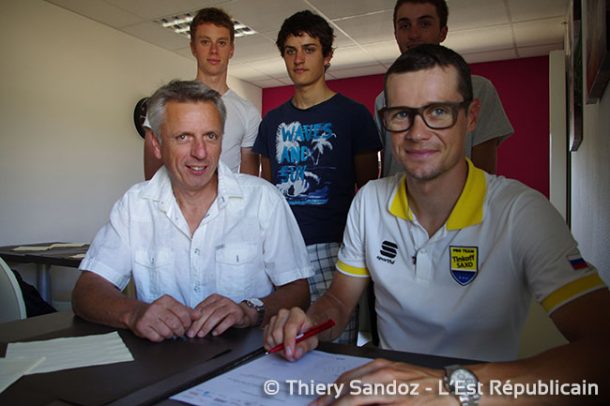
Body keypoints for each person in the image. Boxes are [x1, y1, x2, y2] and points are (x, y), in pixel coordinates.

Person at [264, 45, 610, 405]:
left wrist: (449, 385)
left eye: (438, 112)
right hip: (386, 394)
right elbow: (338, 300)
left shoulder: (521, 212)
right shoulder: (369, 201)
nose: (417, 132)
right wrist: (309, 324)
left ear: (471, 116)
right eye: (402, 115)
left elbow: (603, 352)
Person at [73, 80, 312, 342]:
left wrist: (250, 310)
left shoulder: (263, 200)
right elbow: (87, 292)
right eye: (183, 137)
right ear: (156, 144)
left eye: (210, 136)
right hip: (162, 367)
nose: (200, 153)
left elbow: (298, 291)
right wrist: (134, 313)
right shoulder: (135, 205)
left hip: (247, 363)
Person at [253, 11, 382, 344]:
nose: (299, 59)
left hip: (334, 247)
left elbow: (368, 191)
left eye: (309, 49)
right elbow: (267, 195)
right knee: (280, 340)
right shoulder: (271, 123)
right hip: (279, 251)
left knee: (330, 343)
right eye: (290, 50)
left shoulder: (354, 115)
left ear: (327, 57)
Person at [377, 0, 513, 176]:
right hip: (394, 201)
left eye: (424, 24)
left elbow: (484, 175)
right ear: (396, 34)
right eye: (404, 26)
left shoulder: (478, 90)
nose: (413, 34)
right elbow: (387, 163)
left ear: (442, 32)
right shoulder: (384, 99)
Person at [143, 7, 260, 179]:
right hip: (174, 204)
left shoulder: (248, 113)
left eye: (221, 43)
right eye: (205, 42)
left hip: (226, 205)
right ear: (193, 48)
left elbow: (249, 185)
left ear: (231, 50)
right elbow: (151, 181)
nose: (214, 51)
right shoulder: (168, 104)